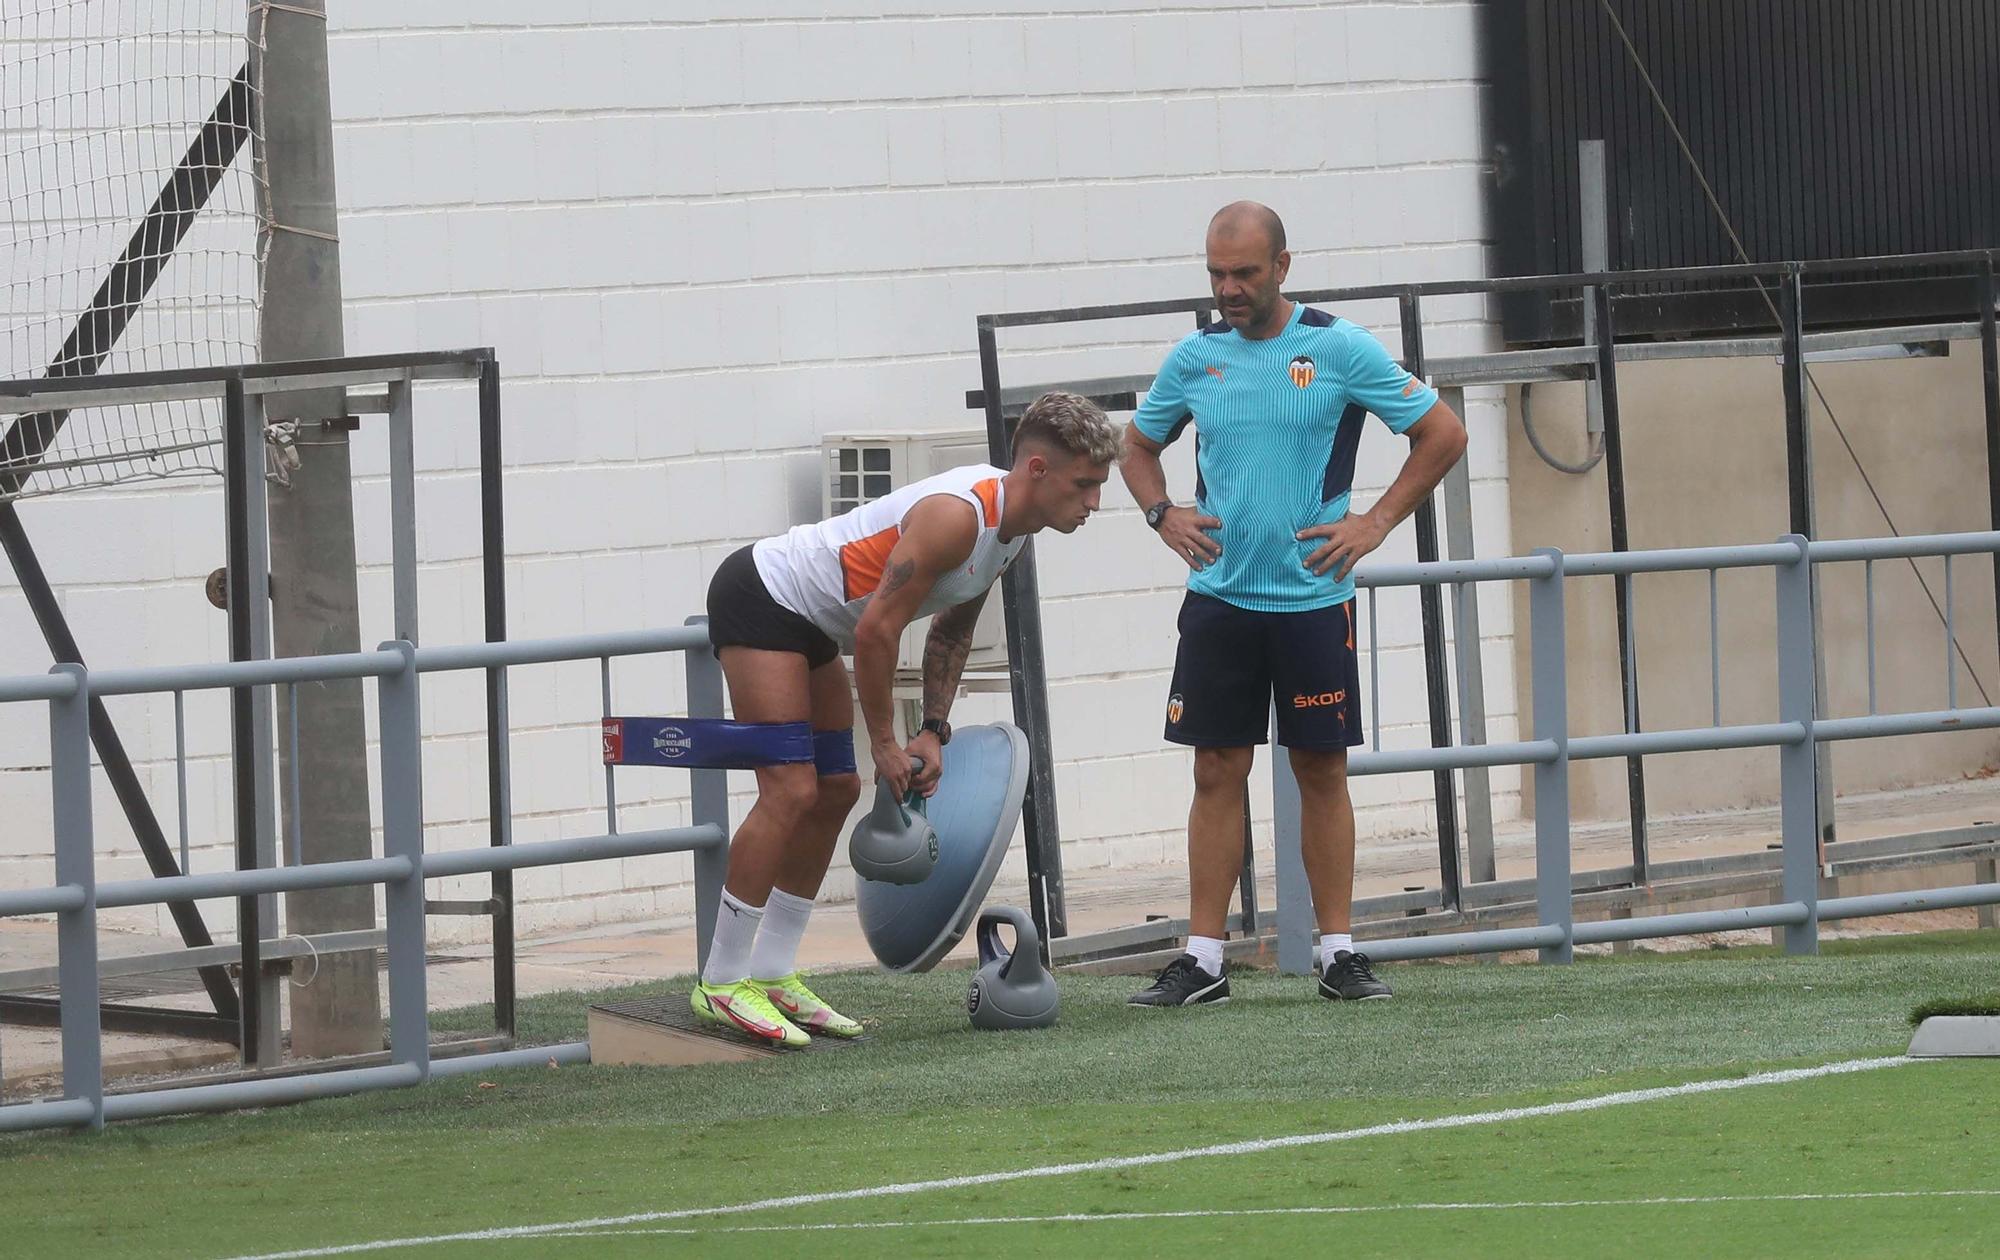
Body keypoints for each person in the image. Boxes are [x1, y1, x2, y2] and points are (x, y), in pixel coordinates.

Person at [1118, 201, 1468, 1008]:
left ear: (1283, 266)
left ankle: (1338, 954)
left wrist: (1374, 522)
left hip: (1312, 599)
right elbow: (1137, 445)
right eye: (1216, 274)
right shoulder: (1194, 357)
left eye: (1243, 273)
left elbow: (1441, 432)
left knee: (1320, 767)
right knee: (1216, 767)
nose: (1228, 289)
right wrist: (1161, 513)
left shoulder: (1339, 347)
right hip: (1220, 599)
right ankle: (1203, 960)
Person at [693, 391, 1120, 1045]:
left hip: (811, 626)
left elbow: (951, 631)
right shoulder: (957, 517)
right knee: (791, 788)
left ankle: (775, 974)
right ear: (1037, 470)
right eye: (1085, 485)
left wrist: (934, 730)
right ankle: (721, 982)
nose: (1093, 503)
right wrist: (887, 744)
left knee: (836, 789)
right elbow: (875, 632)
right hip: (763, 597)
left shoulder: (1014, 534)